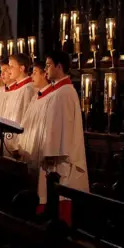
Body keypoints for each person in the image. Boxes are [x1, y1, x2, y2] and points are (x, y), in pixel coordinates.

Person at [36, 51, 89, 225]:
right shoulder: (58, 91)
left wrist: (49, 151)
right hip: (56, 154)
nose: (46, 69)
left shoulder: (64, 92)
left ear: (59, 66)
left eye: (49, 65)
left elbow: (62, 128)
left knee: (63, 193)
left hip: (62, 156)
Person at [16, 61, 52, 182]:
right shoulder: (36, 96)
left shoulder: (51, 98)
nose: (31, 76)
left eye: (35, 73)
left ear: (44, 75)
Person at [3, 54, 36, 154]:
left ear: (22, 68)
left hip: (18, 146)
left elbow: (26, 119)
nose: (8, 71)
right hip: (8, 141)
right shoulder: (16, 88)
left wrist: (18, 145)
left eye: (11, 67)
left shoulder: (28, 89)